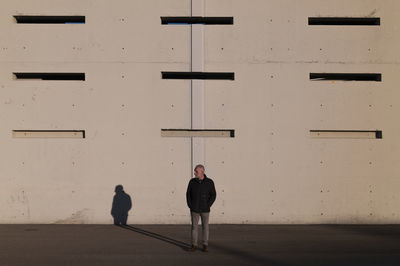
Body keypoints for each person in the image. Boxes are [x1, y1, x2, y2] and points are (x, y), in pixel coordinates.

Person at [186, 164, 217, 252]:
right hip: (194, 209)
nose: (194, 173)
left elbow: (213, 195)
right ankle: (194, 245)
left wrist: (208, 205)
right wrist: (190, 205)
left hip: (205, 209)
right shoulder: (192, 182)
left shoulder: (209, 182)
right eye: (195, 171)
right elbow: (188, 194)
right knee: (194, 227)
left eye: (196, 171)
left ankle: (205, 245)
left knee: (205, 227)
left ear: (202, 172)